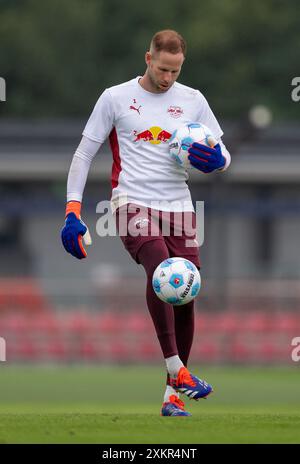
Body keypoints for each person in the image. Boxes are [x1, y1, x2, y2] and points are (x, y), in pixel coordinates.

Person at [61, 30, 231, 417]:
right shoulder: (115, 98)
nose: (168, 78)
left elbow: (223, 153)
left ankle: (172, 396)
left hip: (179, 205)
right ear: (147, 58)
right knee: (162, 269)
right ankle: (177, 369)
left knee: (185, 291)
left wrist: (217, 162)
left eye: (175, 71)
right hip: (130, 200)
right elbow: (84, 153)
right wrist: (73, 210)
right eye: (162, 68)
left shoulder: (194, 101)